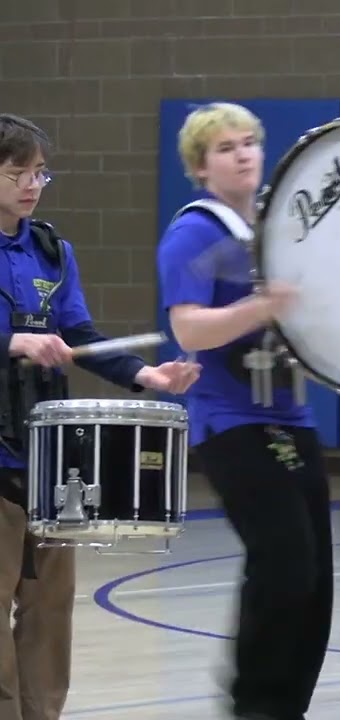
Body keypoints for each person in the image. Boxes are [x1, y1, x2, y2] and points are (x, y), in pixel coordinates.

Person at [0, 113, 200, 720]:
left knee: (50, 608)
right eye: (17, 173)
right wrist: (13, 341)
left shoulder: (53, 252)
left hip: (45, 459)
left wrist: (148, 377)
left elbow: (80, 332)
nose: (32, 185)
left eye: (39, 173)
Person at [155, 102, 331, 720]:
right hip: (232, 421)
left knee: (315, 578)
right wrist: (260, 307)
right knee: (283, 561)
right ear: (201, 166)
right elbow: (191, 327)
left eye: (250, 142)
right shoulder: (196, 232)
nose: (243, 154)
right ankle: (254, 705)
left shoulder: (276, 226)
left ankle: (286, 705)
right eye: (226, 147)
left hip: (290, 415)